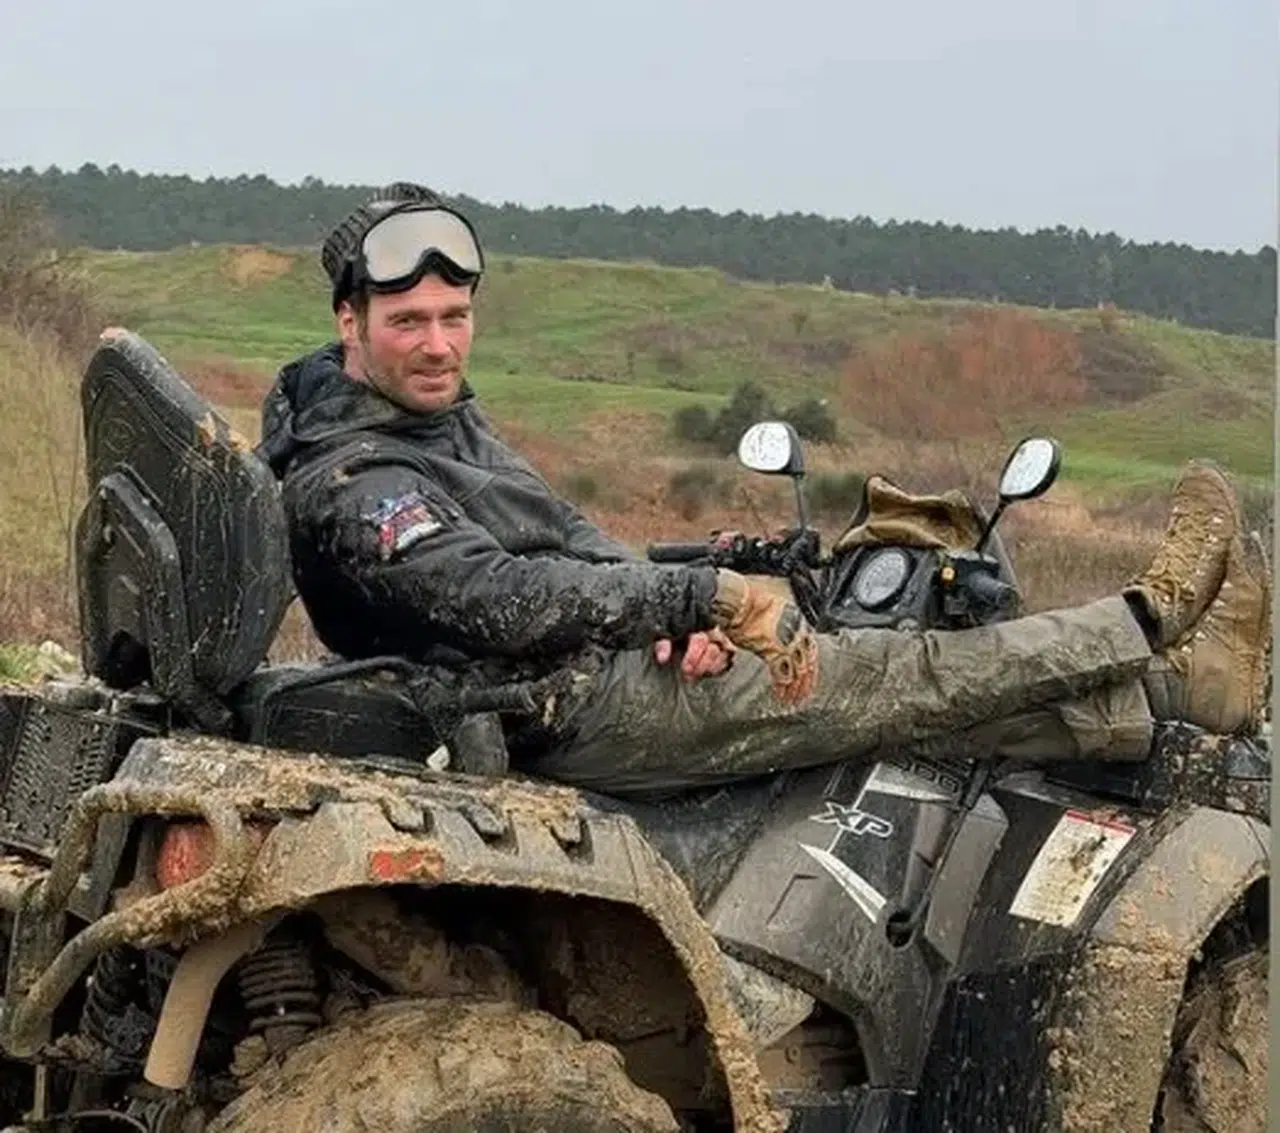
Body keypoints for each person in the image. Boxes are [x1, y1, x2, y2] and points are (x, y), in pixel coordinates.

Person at [257, 182, 1272, 798]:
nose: (439, 344)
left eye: (455, 316)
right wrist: (703, 598)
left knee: (912, 705)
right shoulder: (354, 479)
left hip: (597, 666)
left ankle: (1178, 691)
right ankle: (1145, 618)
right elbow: (497, 596)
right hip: (564, 712)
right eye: (409, 322)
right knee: (904, 668)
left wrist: (669, 605)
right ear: (350, 322)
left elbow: (565, 539)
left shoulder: (432, 417)